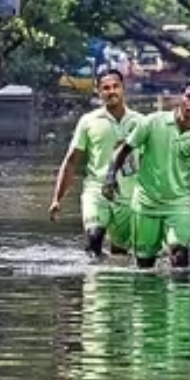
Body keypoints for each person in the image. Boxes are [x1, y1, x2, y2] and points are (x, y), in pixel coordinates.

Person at [103, 79, 190, 269]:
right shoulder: (152, 122)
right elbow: (124, 150)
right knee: (145, 264)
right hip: (145, 203)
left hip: (179, 206)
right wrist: (110, 178)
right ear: (180, 98)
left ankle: (180, 299)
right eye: (189, 97)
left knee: (179, 257)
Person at [48, 69, 140, 258]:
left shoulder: (140, 122)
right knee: (94, 237)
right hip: (97, 191)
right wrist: (57, 199)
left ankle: (114, 283)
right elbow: (71, 161)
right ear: (98, 92)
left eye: (115, 87)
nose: (111, 91)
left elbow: (152, 162)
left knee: (121, 252)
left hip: (129, 196)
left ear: (123, 89)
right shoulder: (88, 121)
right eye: (105, 88)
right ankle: (92, 281)